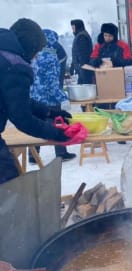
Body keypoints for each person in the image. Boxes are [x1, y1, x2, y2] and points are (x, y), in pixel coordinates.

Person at [0, 18, 72, 185]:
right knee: (9, 190)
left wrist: (47, 111)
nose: (37, 56)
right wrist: (56, 133)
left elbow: (14, 99)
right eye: (37, 51)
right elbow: (22, 118)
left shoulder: (3, 55)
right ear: (29, 46)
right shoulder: (14, 65)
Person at [29, 29, 76, 163]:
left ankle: (33, 154)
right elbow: (52, 83)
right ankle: (61, 153)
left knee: (35, 124)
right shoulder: (51, 57)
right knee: (57, 123)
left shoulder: (33, 55)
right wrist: (63, 98)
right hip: (50, 99)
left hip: (34, 97)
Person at [70, 19, 93, 84]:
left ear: (78, 27)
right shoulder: (79, 35)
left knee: (84, 87)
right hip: (82, 68)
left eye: (73, 28)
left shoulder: (81, 37)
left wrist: (81, 66)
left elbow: (83, 54)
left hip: (84, 69)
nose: (72, 30)